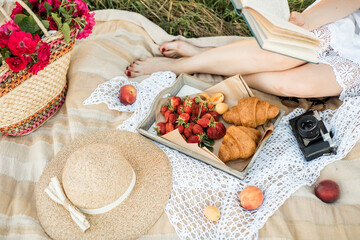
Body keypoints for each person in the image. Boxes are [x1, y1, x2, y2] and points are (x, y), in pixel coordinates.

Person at [126, 0, 360, 100]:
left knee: (289, 85)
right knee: (280, 54)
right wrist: (308, 19)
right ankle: (180, 66)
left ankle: (207, 57)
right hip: (351, 23)